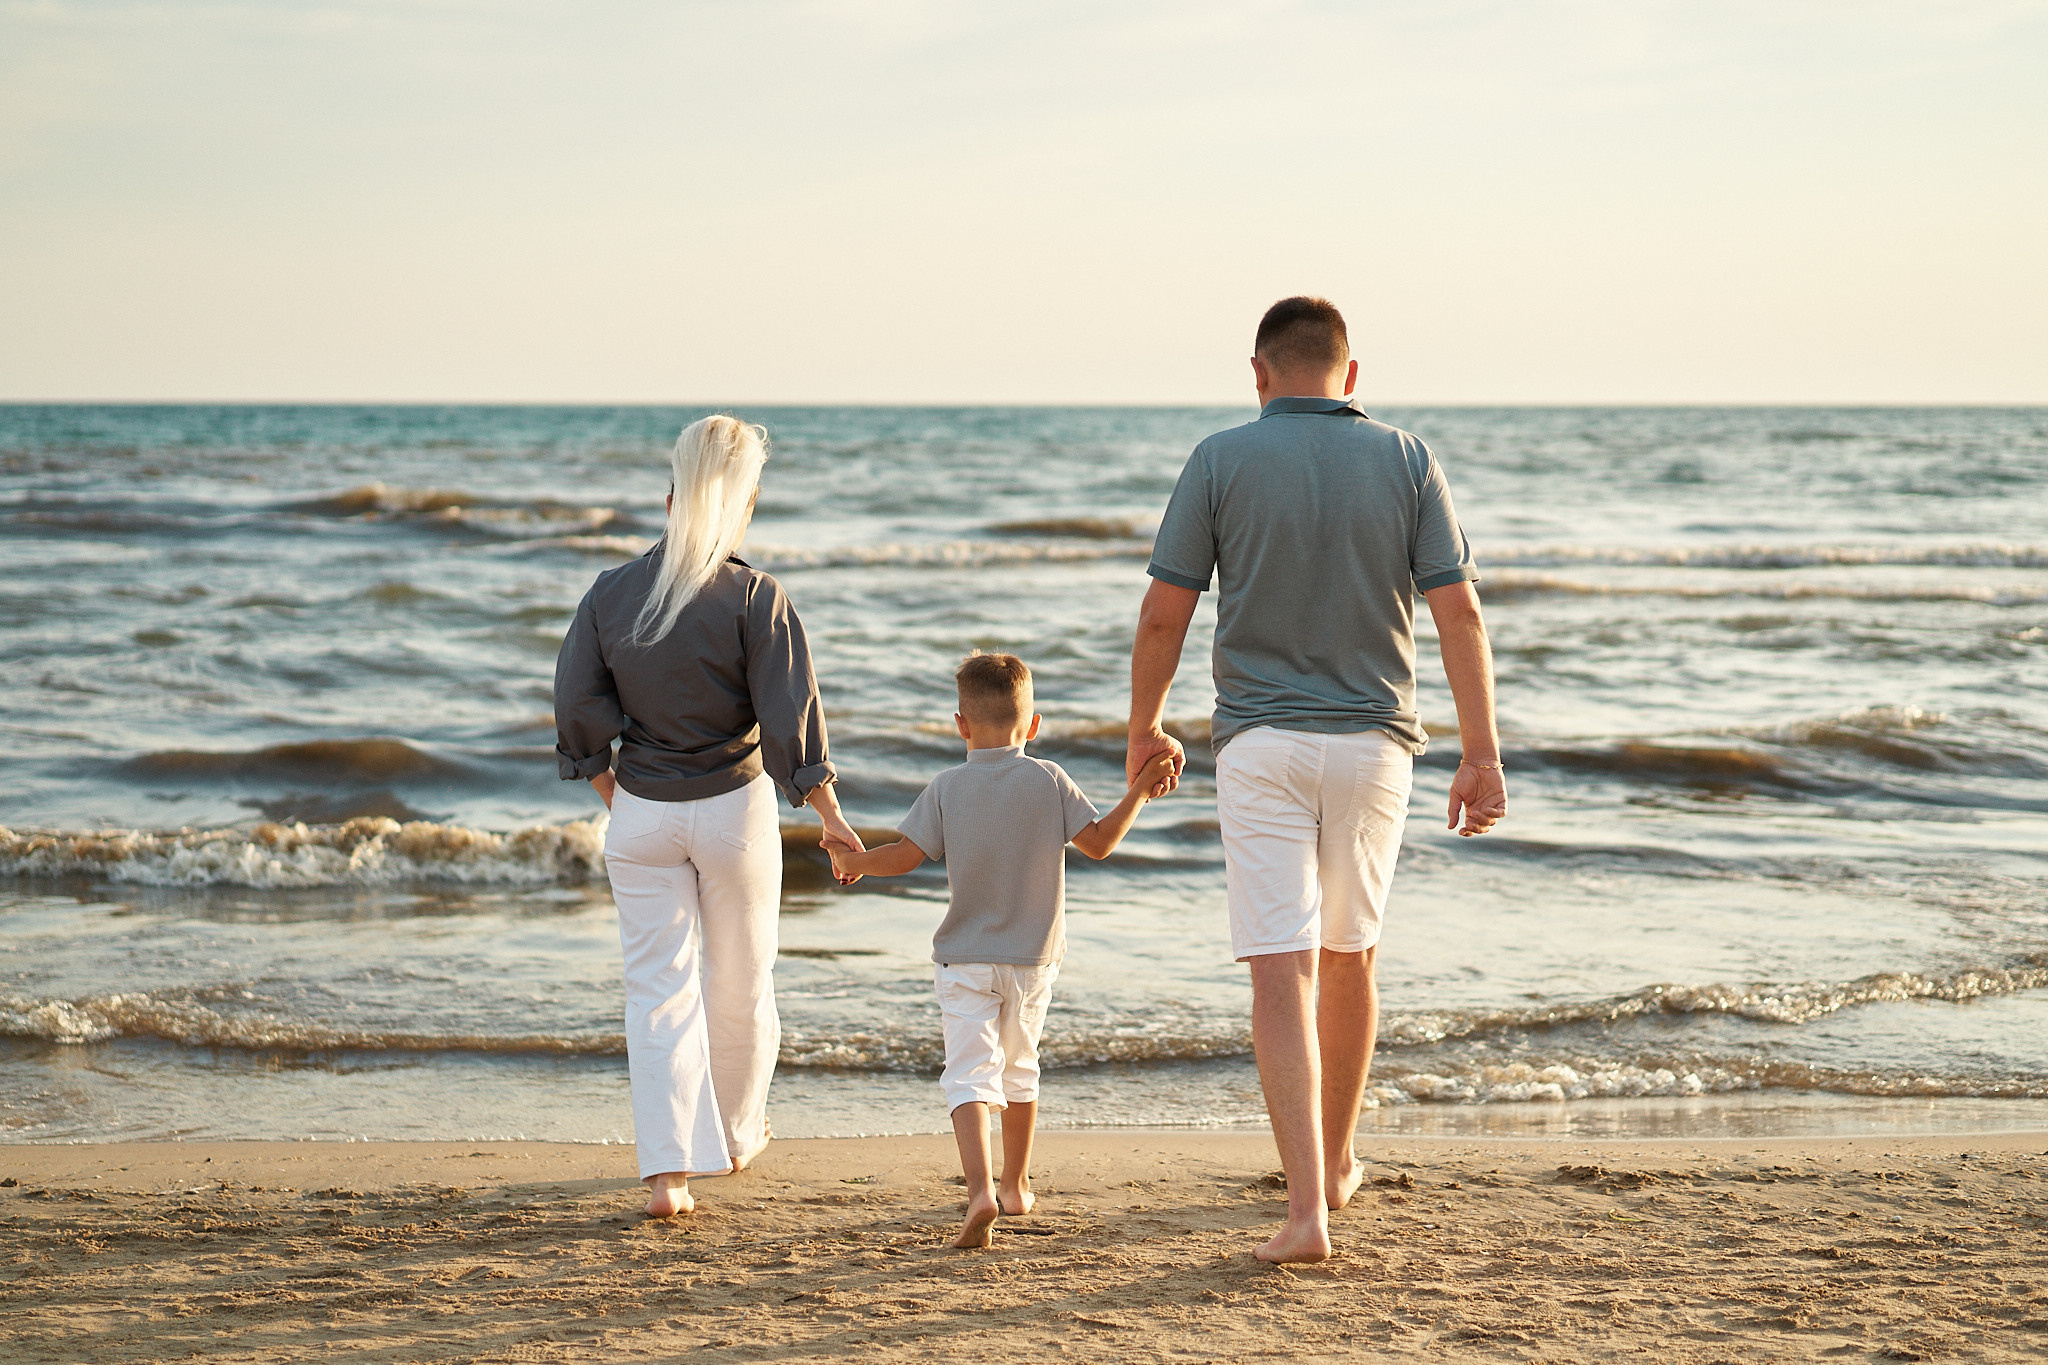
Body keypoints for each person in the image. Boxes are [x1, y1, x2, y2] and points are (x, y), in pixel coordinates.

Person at [1125, 297, 1507, 1264]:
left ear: (1258, 373)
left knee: (1279, 967)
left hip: (1259, 746)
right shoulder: (1406, 457)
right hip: (1377, 746)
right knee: (1351, 954)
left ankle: (1307, 1213)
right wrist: (1481, 750)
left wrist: (1143, 727)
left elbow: (1165, 614)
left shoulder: (1218, 458)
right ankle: (1337, 1162)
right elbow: (1458, 616)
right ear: (1350, 374)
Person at [554, 414, 864, 1218]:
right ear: (744, 502)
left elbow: (579, 711)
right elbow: (792, 722)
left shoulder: (610, 594)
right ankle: (732, 1138)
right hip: (735, 813)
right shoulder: (756, 596)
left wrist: (616, 797)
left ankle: (668, 1176)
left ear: (670, 497)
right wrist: (830, 814)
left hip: (643, 816)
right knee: (741, 982)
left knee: (657, 991)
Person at [824, 652, 1175, 1249]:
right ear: (1033, 725)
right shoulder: (1050, 779)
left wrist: (851, 860)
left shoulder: (946, 788)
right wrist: (1141, 788)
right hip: (1034, 959)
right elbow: (1100, 844)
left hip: (964, 958)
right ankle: (1015, 1186)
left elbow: (903, 858)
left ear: (960, 724)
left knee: (968, 1075)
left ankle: (980, 1191)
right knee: (1020, 1069)